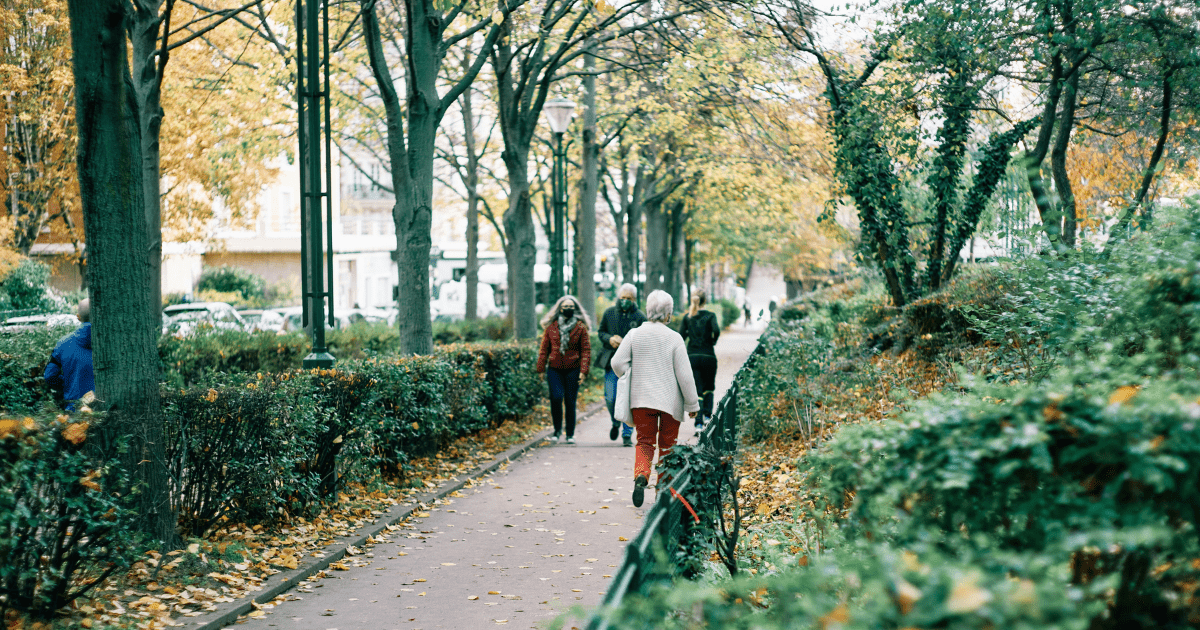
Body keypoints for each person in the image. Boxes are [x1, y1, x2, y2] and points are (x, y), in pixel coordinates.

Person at [611, 290, 699, 507]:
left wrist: (631, 372)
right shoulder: (674, 338)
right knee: (668, 445)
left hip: (641, 399)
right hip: (670, 402)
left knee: (644, 441)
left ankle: (641, 475)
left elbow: (617, 363)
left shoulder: (634, 334)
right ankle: (662, 492)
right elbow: (685, 375)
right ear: (668, 313)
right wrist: (692, 403)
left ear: (648, 310)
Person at [536, 295, 592, 444]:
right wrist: (541, 369)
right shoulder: (552, 327)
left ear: (575, 309)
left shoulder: (580, 327)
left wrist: (583, 371)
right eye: (566, 307)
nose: (568, 310)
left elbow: (586, 350)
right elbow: (544, 349)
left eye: (571, 307)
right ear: (560, 309)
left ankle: (570, 434)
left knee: (570, 400)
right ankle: (556, 431)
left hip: (573, 369)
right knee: (556, 397)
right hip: (554, 369)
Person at [595, 283, 646, 447]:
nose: (624, 301)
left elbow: (644, 339)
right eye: (622, 298)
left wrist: (628, 343)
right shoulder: (609, 313)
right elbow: (600, 332)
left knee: (629, 400)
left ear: (634, 299)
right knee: (610, 397)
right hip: (611, 363)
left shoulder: (640, 317)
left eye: (628, 298)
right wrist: (609, 339)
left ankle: (626, 433)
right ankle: (615, 421)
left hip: (632, 365)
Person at [44, 299, 94, 411]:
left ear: (78, 317)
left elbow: (49, 376)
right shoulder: (113, 344)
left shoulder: (63, 344)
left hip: (74, 410)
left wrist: (69, 383)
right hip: (107, 410)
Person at [680, 289, 720, 430]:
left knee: (697, 390)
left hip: (693, 357)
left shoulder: (687, 317)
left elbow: (681, 337)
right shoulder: (711, 316)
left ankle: (698, 424)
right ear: (705, 300)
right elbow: (716, 330)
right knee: (708, 388)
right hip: (708, 356)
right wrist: (712, 342)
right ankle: (708, 417)